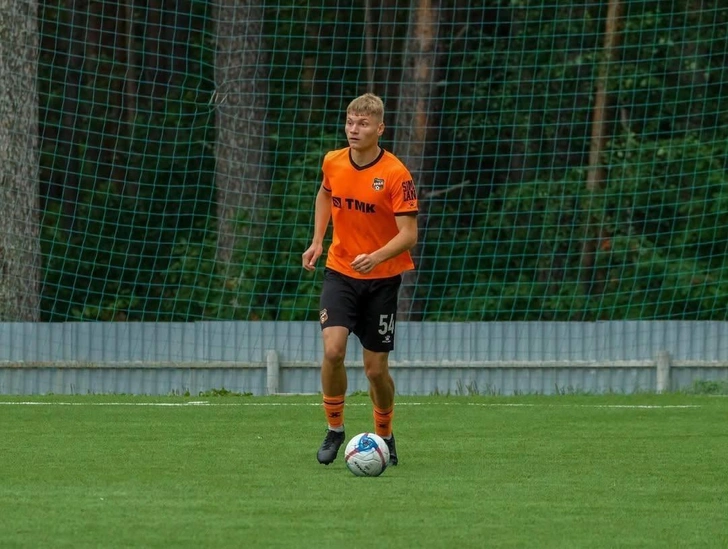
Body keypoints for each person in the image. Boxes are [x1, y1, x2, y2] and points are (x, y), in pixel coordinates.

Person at [302, 93, 419, 466]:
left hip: (382, 279)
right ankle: (335, 429)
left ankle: (384, 435)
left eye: (363, 124)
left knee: (375, 370)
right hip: (340, 271)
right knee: (333, 351)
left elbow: (409, 234)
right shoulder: (333, 161)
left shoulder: (396, 174)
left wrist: (377, 256)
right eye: (350, 122)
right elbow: (325, 195)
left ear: (380, 128)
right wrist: (318, 240)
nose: (354, 129)